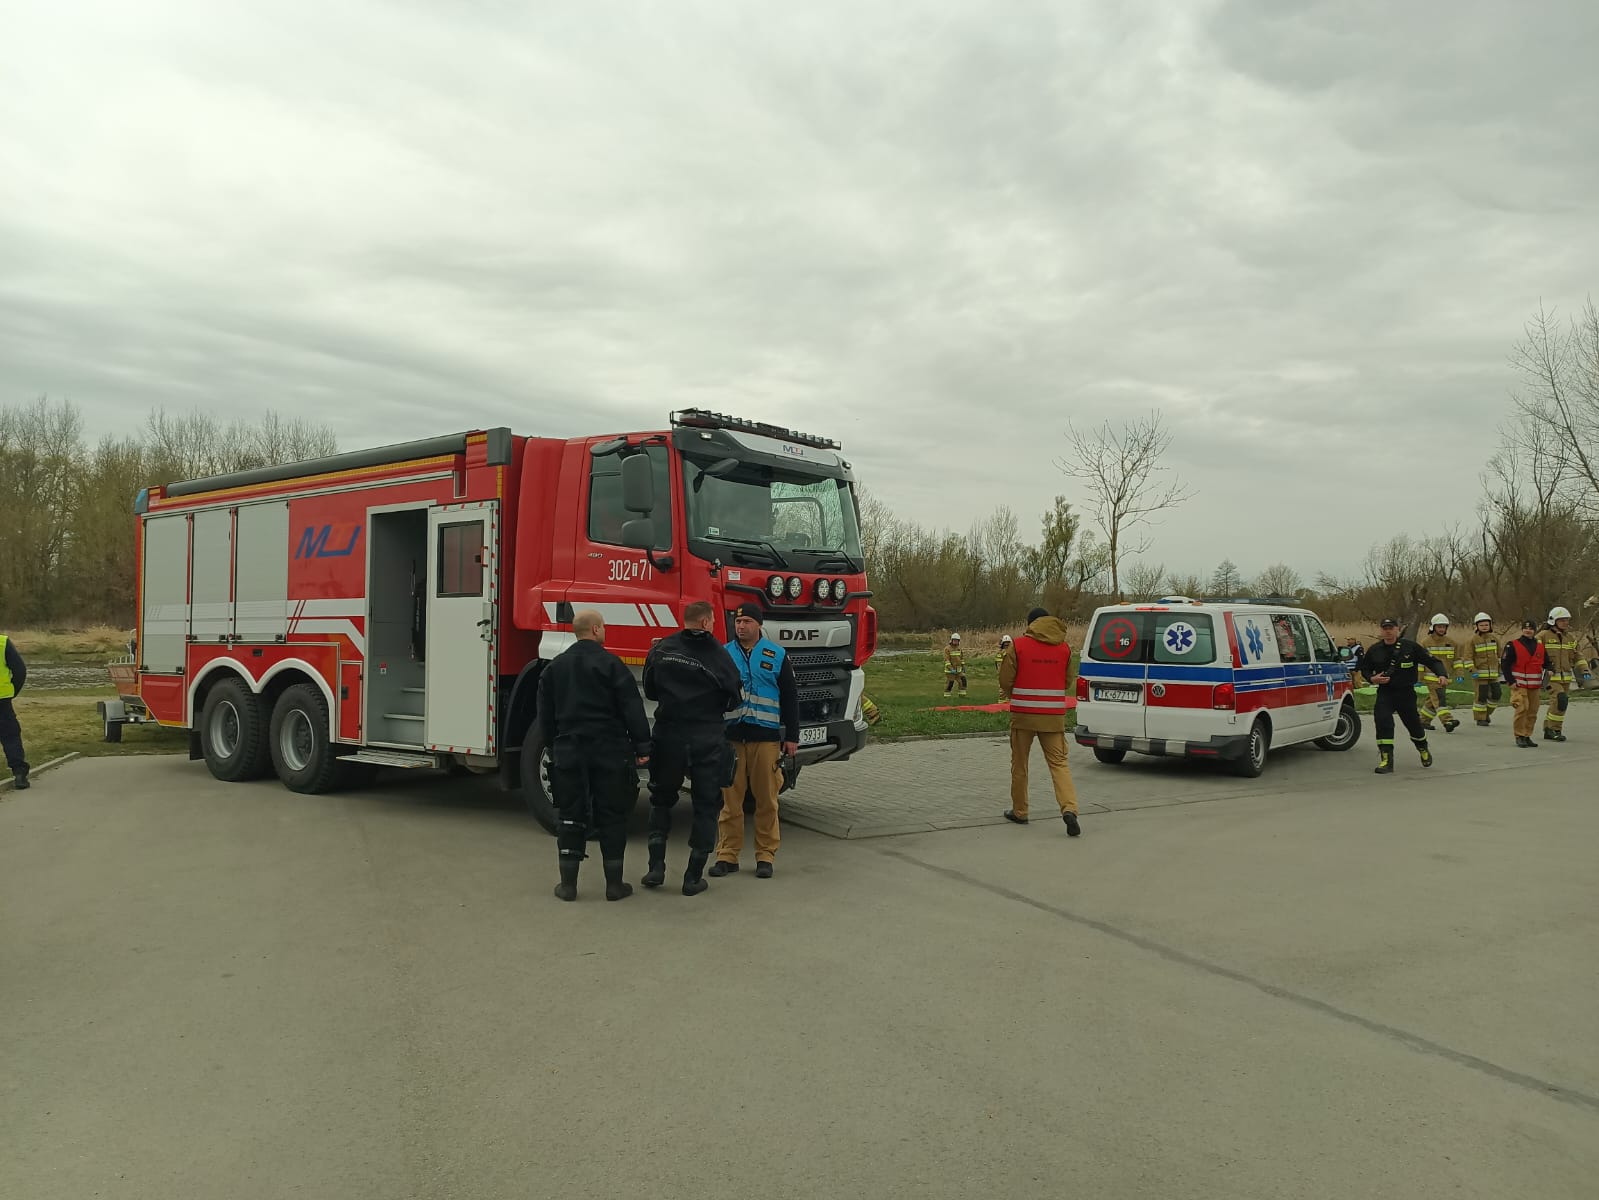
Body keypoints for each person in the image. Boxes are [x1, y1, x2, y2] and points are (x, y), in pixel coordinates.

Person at [536, 609, 651, 902]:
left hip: (569, 750)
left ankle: (568, 886)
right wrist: (642, 747)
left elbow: (545, 717)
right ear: (597, 629)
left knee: (570, 815)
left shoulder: (554, 668)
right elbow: (632, 707)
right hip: (609, 750)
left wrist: (553, 747)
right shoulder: (612, 665)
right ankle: (614, 885)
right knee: (612, 814)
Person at [640, 600, 743, 896]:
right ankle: (692, 877)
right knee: (706, 805)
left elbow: (650, 689)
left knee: (661, 799)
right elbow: (735, 697)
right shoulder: (719, 655)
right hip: (705, 737)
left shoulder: (662, 648)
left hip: (668, 734)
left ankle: (655, 867)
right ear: (706, 622)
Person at [711, 603, 799, 879]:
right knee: (730, 802)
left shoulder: (777, 655)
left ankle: (765, 856)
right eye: (738, 622)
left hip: (766, 739)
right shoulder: (723, 653)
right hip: (732, 737)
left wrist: (792, 737)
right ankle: (727, 855)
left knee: (767, 801)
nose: (741, 626)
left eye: (747, 621)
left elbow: (790, 697)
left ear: (759, 624)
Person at [998, 607, 1080, 835]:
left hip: (1023, 716)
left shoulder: (1018, 646)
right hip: (1053, 718)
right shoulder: (1064, 648)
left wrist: (1015, 694)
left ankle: (1020, 811)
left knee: (1020, 764)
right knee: (1059, 764)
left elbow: (1005, 679)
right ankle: (1069, 809)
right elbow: (1067, 682)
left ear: (1031, 624)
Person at [1359, 617, 1449, 775]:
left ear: (1397, 630)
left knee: (1414, 725)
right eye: (1385, 628)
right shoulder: (1375, 650)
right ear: (1381, 630)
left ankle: (1423, 748)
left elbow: (1432, 661)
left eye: (1391, 628)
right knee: (1383, 722)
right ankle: (1387, 760)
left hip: (1406, 693)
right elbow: (1365, 669)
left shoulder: (1410, 647)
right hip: (1385, 693)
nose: (1388, 631)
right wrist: (1372, 678)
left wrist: (1441, 674)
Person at [1537, 606, 1589, 742]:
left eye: (1567, 620)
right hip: (1549, 677)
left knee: (1560, 703)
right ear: (1553, 621)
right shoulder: (1542, 636)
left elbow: (1578, 656)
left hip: (1565, 678)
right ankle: (1554, 729)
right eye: (1562, 620)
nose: (1566, 623)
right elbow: (1535, 654)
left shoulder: (1570, 638)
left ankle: (1548, 728)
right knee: (1560, 699)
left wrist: (1585, 670)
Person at [1500, 619, 1547, 749]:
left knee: (1532, 711)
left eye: (1531, 629)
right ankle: (1519, 736)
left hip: (1535, 685)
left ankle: (1527, 735)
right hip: (1519, 684)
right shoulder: (1512, 645)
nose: (1528, 631)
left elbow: (1546, 662)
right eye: (1525, 628)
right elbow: (1505, 664)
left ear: (1534, 631)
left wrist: (1551, 670)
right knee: (1522, 709)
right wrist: (1510, 680)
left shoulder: (1540, 646)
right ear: (1522, 630)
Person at [1417, 613, 1462, 733]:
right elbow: (1420, 662)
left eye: (1444, 626)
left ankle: (1423, 721)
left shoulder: (1452, 643)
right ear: (1433, 627)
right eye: (1439, 627)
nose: (1442, 629)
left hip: (1444, 678)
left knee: (1432, 701)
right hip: (1431, 678)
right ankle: (1448, 721)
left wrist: (1460, 674)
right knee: (1440, 699)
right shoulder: (1425, 643)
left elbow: (1457, 660)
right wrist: (1419, 678)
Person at [1, 632, 30, 790]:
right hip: (2, 700)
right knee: (10, 736)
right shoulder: (2, 643)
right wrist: (13, 691)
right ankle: (19, 773)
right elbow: (20, 670)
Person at [1465, 612, 1503, 726]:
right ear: (1477, 626)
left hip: (1494, 674)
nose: (1484, 627)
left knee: (1497, 694)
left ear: (1490, 625)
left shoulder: (1494, 639)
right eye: (1481, 625)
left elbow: (1500, 655)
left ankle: (1486, 713)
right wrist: (1472, 670)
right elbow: (1468, 658)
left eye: (1486, 625)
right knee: (1481, 697)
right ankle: (1480, 718)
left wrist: (1502, 668)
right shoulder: (1472, 640)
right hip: (1479, 675)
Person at [943, 633, 967, 699]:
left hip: (959, 670)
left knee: (963, 681)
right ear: (951, 640)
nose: (955, 642)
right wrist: (951, 668)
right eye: (954, 640)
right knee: (950, 683)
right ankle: (947, 696)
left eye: (957, 640)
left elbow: (961, 658)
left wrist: (963, 666)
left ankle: (962, 696)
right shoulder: (947, 649)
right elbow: (947, 660)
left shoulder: (959, 649)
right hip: (950, 670)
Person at [995, 634, 1014, 701]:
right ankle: (1002, 702)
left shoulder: (1012, 652)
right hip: (1004, 673)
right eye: (1005, 645)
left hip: (1011, 673)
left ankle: (1008, 701)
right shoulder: (1001, 653)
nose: (1007, 646)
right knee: (1003, 689)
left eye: (1008, 644)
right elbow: (999, 664)